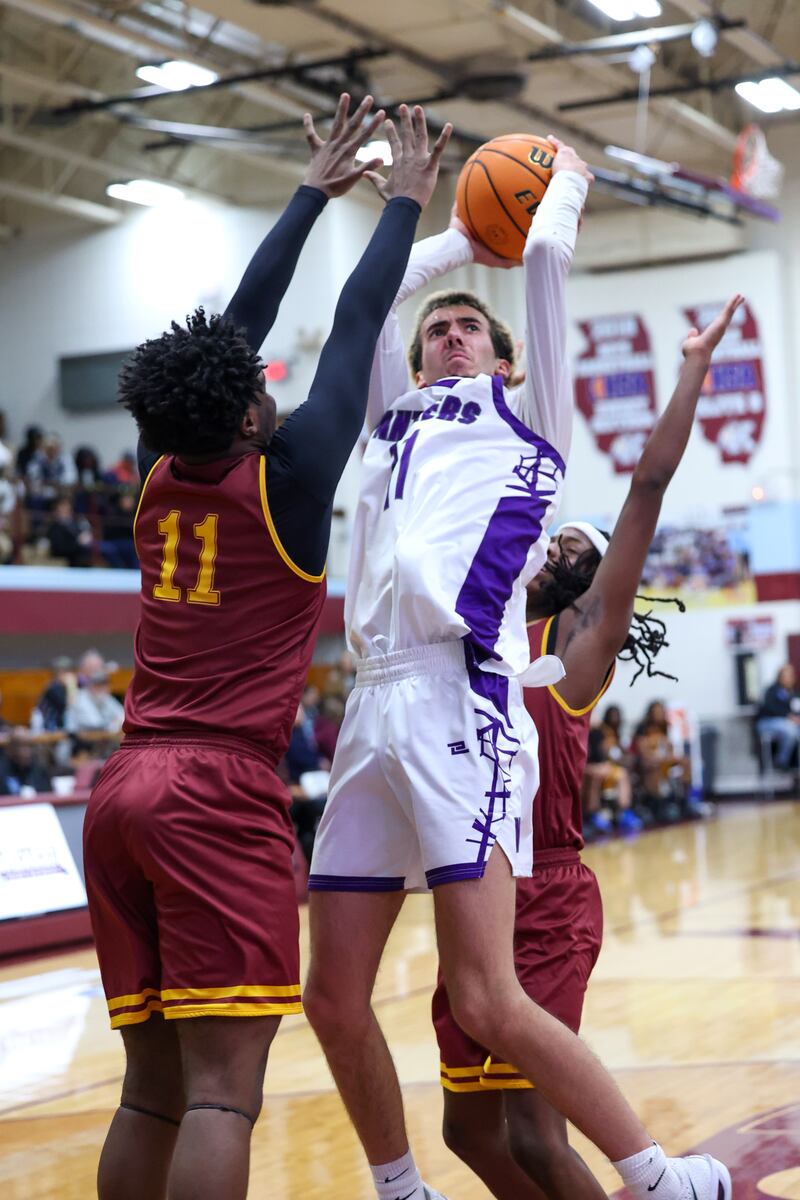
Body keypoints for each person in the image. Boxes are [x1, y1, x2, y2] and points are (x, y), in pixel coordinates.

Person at [302, 116, 736, 1199]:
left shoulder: (530, 420)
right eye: (436, 331)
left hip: (461, 701)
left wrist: (566, 180)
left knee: (487, 997)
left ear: (503, 358)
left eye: (466, 331)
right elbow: (360, 315)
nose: (448, 335)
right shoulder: (386, 427)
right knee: (329, 997)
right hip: (371, 702)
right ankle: (399, 1189)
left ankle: (653, 1175)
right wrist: (448, 242)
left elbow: (542, 255)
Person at [80, 95, 449, 1200]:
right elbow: (353, 325)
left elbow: (235, 326)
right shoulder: (284, 487)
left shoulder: (156, 465)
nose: (270, 387)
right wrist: (404, 203)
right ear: (244, 419)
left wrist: (310, 196)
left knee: (148, 1089)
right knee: (219, 1095)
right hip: (215, 790)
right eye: (260, 389)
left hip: (120, 791)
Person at [430, 294, 742, 1200]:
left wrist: (688, 371)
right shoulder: (477, 631)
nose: (557, 545)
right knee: (465, 1129)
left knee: (533, 1130)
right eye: (554, 536)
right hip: (470, 887)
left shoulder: (575, 654)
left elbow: (646, 486)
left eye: (575, 545)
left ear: (595, 578)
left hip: (548, 893)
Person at [756, 664, 800, 771]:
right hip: (767, 722)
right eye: (786, 675)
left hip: (789, 724)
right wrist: (788, 717)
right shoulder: (772, 691)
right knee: (790, 730)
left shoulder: (794, 693)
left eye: (790, 675)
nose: (789, 678)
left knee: (794, 730)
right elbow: (770, 707)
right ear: (780, 677)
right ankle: (781, 761)